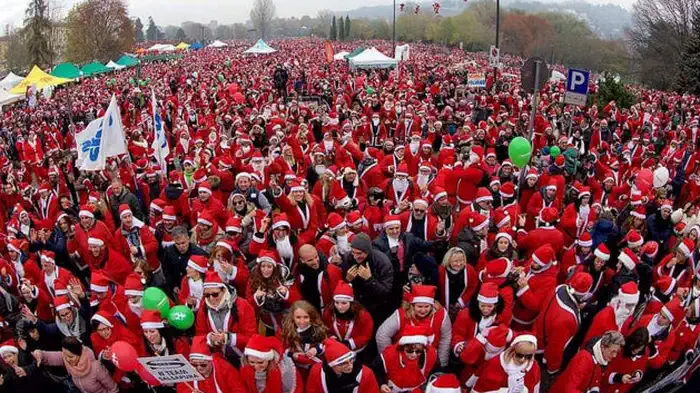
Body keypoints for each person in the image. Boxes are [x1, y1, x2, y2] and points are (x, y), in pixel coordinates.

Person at [375, 285, 451, 367]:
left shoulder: (441, 315)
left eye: (426, 306)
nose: (423, 310)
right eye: (419, 306)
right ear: (412, 305)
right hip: (402, 360)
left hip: (429, 361)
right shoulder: (401, 314)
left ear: (432, 306)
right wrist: (389, 360)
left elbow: (445, 339)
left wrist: (442, 365)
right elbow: (382, 335)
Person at [534, 272, 594, 374]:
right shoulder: (567, 318)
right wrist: (553, 367)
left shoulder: (559, 288)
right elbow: (556, 347)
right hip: (543, 349)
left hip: (538, 333)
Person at [194, 271, 257, 364]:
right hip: (218, 357)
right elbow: (200, 334)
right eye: (207, 295)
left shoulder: (242, 305)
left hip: (243, 357)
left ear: (224, 290)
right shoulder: (203, 308)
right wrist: (210, 339)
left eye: (215, 294)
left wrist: (228, 338)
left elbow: (251, 338)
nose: (211, 298)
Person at [32, 337, 118, 393]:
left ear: (80, 354)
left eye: (71, 356)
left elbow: (113, 388)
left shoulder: (96, 367)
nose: (67, 359)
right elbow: (50, 357)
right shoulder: (66, 358)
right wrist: (40, 354)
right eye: (65, 355)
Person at [341, 234, 394, 323]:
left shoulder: (382, 262)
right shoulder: (348, 258)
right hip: (356, 304)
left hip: (377, 307)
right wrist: (347, 280)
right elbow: (342, 286)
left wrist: (370, 279)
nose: (355, 257)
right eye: (353, 252)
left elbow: (386, 292)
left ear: (368, 251)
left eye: (359, 253)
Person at [550, 331, 625, 393]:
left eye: (617, 352)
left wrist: (619, 377)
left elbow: (597, 379)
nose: (614, 355)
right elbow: (569, 388)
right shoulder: (584, 359)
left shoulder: (601, 358)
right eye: (612, 351)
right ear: (603, 347)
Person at [371, 325, 438, 393]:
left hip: (419, 389)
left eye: (418, 351)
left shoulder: (430, 354)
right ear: (403, 347)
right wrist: (381, 384)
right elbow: (375, 370)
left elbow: (435, 375)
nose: (414, 354)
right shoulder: (389, 355)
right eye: (409, 351)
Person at [470, 334, 541, 393]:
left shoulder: (534, 367)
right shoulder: (496, 363)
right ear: (512, 350)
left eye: (528, 356)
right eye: (519, 355)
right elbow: (482, 388)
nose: (523, 359)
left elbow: (534, 388)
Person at [306, 338, 380, 393]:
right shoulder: (317, 371)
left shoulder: (366, 374)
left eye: (351, 360)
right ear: (332, 365)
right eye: (343, 363)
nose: (351, 366)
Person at [176, 335, 244, 393]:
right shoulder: (188, 371)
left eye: (203, 365)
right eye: (195, 365)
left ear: (210, 361)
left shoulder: (225, 369)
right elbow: (182, 389)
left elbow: (239, 390)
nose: (199, 368)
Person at [322, 282, 374, 354]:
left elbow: (366, 335)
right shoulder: (329, 312)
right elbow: (325, 328)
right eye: (337, 302)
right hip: (336, 349)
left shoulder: (363, 315)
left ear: (351, 302)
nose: (339, 307)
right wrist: (331, 337)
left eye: (344, 303)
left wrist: (350, 343)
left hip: (358, 351)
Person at [161, 226, 208, 296]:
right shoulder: (169, 252)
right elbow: (166, 270)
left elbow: (205, 274)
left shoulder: (199, 254)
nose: (181, 246)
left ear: (188, 239)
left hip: (194, 290)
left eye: (183, 243)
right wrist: (173, 285)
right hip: (176, 288)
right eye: (177, 244)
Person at [281, 300, 327, 371]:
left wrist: (316, 349)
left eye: (306, 317)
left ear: (311, 317)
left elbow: (325, 344)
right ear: (293, 317)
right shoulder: (287, 330)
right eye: (298, 317)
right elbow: (282, 348)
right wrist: (292, 354)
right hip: (296, 367)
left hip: (315, 367)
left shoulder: (317, 329)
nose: (302, 321)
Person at [297, 244, 343, 313]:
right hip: (310, 313)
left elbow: (339, 295)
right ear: (302, 260)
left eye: (316, 257)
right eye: (310, 260)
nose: (315, 262)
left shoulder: (331, 270)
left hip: (328, 313)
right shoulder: (297, 272)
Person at [438, 247, 478, 320]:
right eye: (455, 261)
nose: (459, 264)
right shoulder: (441, 270)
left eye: (461, 260)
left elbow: (473, 286)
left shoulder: (469, 269)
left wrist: (462, 301)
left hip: (463, 302)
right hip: (444, 303)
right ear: (448, 260)